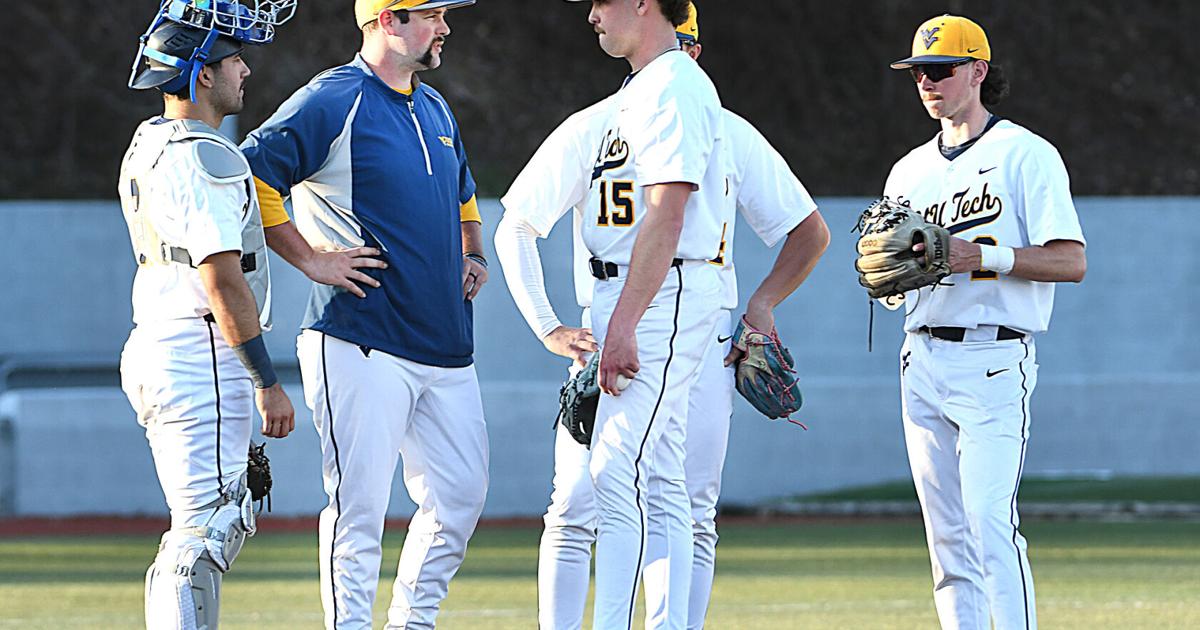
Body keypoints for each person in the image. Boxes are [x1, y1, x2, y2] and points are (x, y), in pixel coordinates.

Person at [497, 4, 830, 627]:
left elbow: (689, 216)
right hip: (621, 305)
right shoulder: (608, 116)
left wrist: (757, 305)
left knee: (647, 483)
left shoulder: (687, 94)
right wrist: (551, 326)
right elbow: (515, 225)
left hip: (677, 305)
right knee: (605, 492)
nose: (592, 14)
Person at [239, 1, 488, 628]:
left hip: (445, 343)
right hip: (359, 337)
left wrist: (474, 250)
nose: (444, 28)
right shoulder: (335, 97)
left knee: (460, 498)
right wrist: (309, 259)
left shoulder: (435, 107)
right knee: (359, 508)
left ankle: (411, 622)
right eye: (432, 14)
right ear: (387, 20)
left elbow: (463, 192)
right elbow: (249, 174)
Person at [883, 14, 1086, 630]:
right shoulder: (908, 171)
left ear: (977, 71)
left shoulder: (1026, 154)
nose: (927, 82)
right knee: (946, 536)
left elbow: (1071, 262)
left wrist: (984, 257)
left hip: (993, 358)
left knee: (988, 522)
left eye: (940, 69)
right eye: (918, 72)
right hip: (921, 358)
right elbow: (894, 272)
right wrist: (886, 282)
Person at [117, 1, 298, 627]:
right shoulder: (203, 154)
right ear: (202, 73)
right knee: (207, 530)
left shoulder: (151, 140)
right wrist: (266, 381)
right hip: (200, 350)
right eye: (233, 59)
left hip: (162, 341)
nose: (245, 70)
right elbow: (222, 280)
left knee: (195, 530)